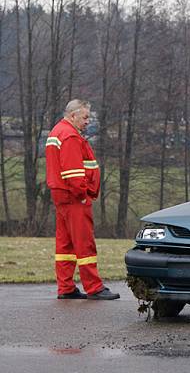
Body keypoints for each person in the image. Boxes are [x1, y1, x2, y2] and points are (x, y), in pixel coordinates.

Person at [46, 99, 120, 300]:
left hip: (61, 195)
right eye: (85, 117)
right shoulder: (70, 135)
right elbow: (73, 173)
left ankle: (66, 287)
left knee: (65, 245)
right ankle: (94, 287)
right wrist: (83, 195)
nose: (88, 121)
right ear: (73, 115)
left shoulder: (57, 132)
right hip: (74, 197)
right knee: (84, 243)